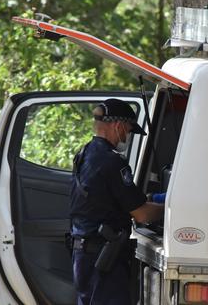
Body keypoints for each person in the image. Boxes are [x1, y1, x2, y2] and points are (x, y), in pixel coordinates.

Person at [70, 98, 164, 305]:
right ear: (119, 126)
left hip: (82, 255)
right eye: (129, 131)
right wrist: (169, 207)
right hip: (104, 258)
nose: (128, 136)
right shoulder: (112, 161)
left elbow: (104, 199)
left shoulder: (84, 154)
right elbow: (142, 214)